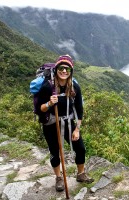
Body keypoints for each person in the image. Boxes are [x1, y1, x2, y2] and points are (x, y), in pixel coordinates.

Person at [37, 55, 94, 192]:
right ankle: (58, 178)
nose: (64, 71)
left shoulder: (74, 88)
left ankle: (80, 174)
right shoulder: (48, 87)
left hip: (69, 122)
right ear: (56, 69)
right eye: (61, 68)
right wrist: (50, 103)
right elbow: (40, 109)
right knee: (55, 153)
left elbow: (79, 110)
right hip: (51, 124)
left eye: (67, 68)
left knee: (80, 148)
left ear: (71, 71)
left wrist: (77, 130)